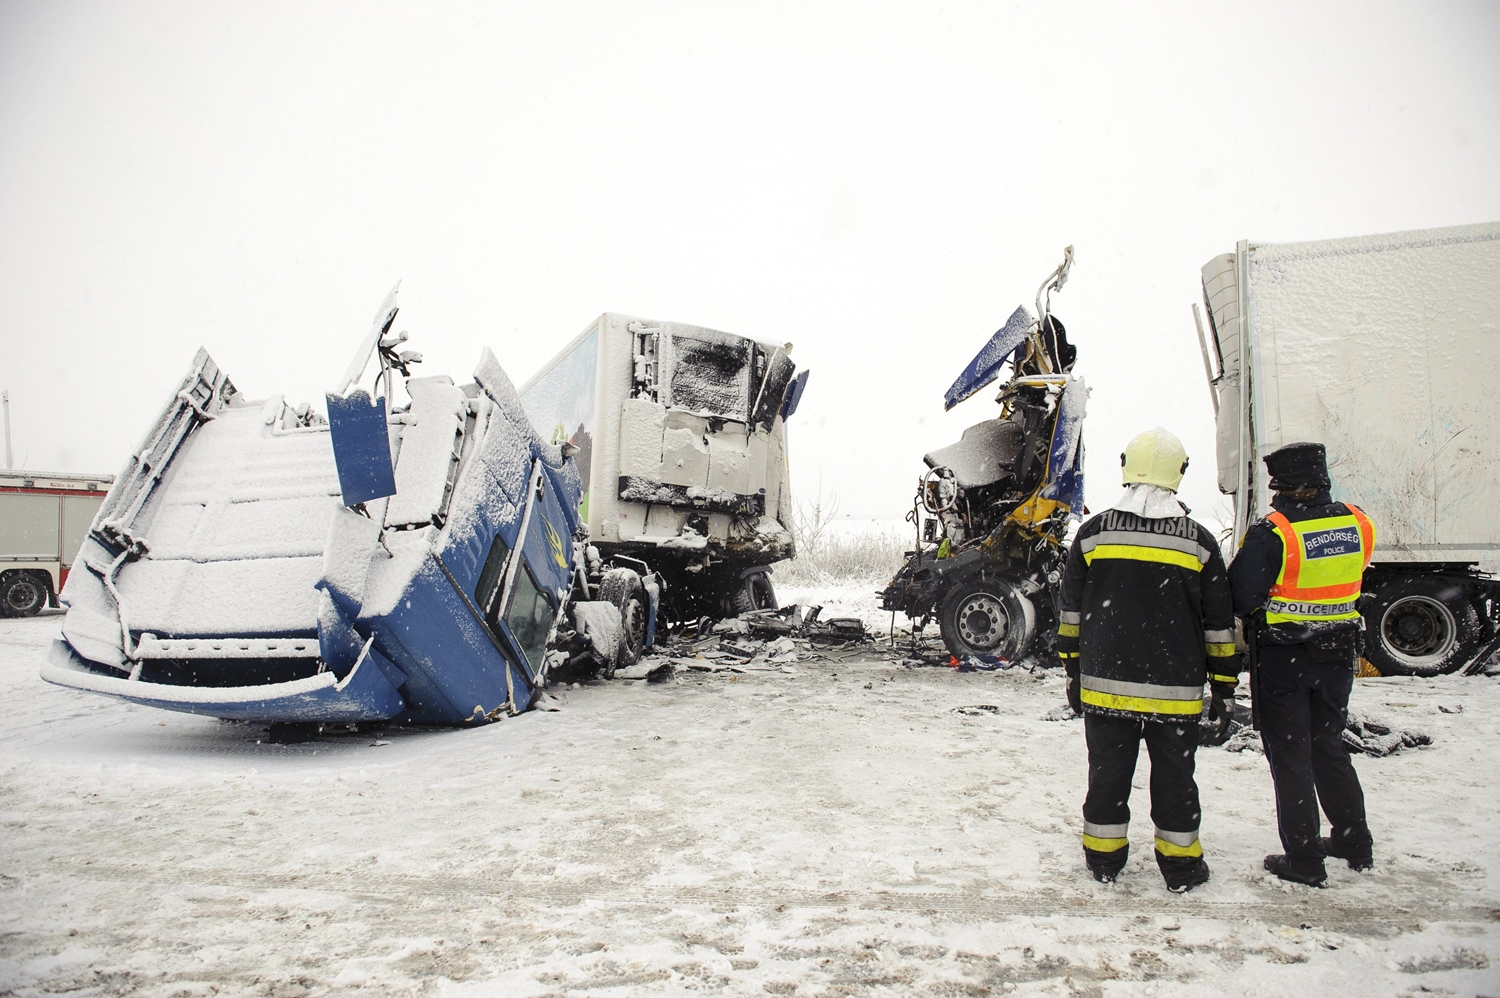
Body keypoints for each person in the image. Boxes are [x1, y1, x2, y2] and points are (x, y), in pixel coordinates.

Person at [1056, 428, 1237, 892]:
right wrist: (1224, 686)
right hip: (1175, 691)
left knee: (1107, 776)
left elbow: (1070, 613)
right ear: (1179, 474)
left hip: (1105, 685)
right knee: (1177, 779)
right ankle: (1180, 867)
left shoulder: (1094, 534)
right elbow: (1219, 625)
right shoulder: (1199, 542)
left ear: (1126, 467)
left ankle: (1104, 859)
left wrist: (1073, 670)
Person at [1228, 441, 1375, 886]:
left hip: (1285, 657)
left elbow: (1240, 595)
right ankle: (1353, 840)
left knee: (1291, 756)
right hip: (1338, 655)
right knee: (1329, 746)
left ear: (1283, 486)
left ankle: (1305, 859)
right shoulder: (1357, 521)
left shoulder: (1275, 531)